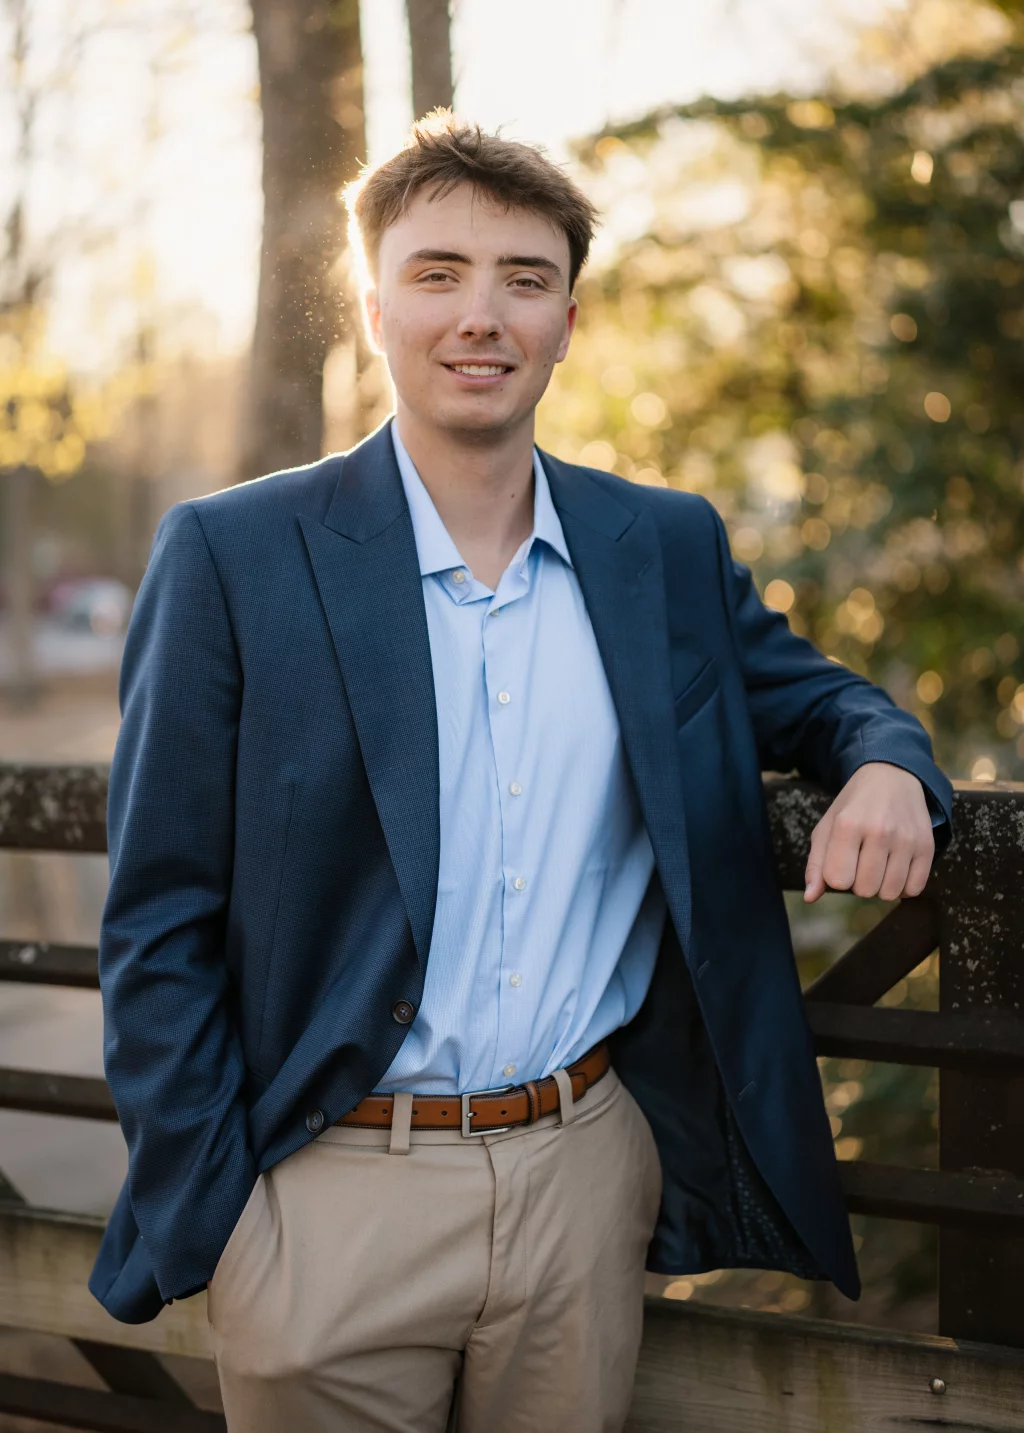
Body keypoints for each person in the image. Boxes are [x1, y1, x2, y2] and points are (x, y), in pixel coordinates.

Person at [89, 114, 953, 1432]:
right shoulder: (232, 553)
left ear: (567, 320)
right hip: (323, 1199)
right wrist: (222, 1217)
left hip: (583, 1181)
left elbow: (829, 702)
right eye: (438, 272)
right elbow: (156, 917)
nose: (479, 314)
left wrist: (891, 767)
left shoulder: (656, 545)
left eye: (524, 278)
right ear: (373, 303)